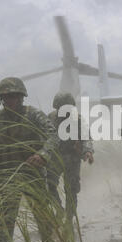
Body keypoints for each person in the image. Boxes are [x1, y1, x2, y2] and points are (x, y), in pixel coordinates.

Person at [0, 77, 59, 242]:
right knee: (5, 218)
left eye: (14, 96)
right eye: (6, 97)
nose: (10, 100)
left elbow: (53, 136)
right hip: (6, 174)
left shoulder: (34, 115)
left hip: (31, 173)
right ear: (1, 98)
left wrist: (43, 154)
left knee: (41, 214)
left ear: (22, 96)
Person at [47, 92, 94, 228]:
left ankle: (68, 220)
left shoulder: (78, 119)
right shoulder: (50, 117)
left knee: (71, 190)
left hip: (72, 159)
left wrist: (88, 151)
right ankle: (59, 210)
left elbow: (87, 137)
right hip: (54, 158)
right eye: (61, 107)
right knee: (49, 186)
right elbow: (42, 135)